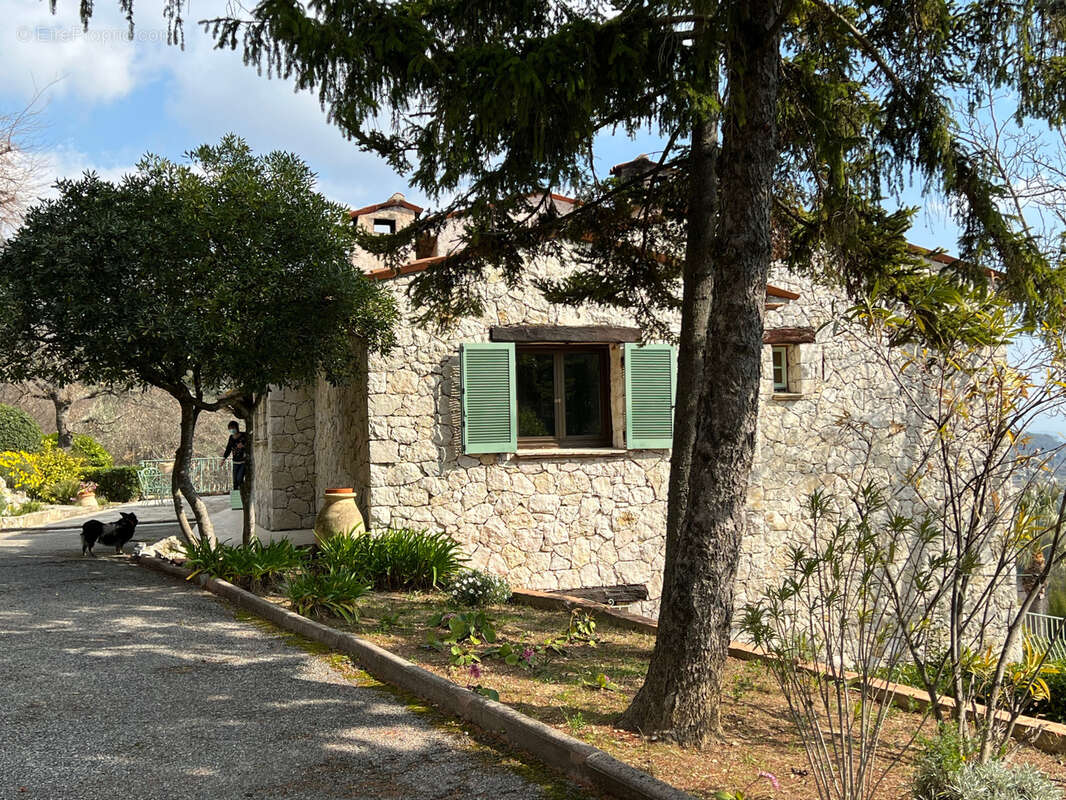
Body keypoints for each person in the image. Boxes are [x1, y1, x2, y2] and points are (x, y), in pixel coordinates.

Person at [221, 420, 249, 492]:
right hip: (235, 463)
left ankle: (243, 493)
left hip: (243, 462)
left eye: (233, 428)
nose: (231, 430)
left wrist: (243, 446)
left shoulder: (244, 435)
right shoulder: (231, 437)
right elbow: (228, 449)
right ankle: (236, 502)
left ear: (237, 428)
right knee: (235, 482)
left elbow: (250, 444)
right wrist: (223, 459)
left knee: (239, 479)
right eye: (230, 429)